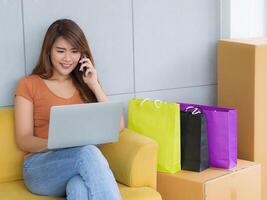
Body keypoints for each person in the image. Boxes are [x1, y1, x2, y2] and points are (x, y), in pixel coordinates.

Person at [14, 19, 124, 200]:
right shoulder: (29, 84)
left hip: (75, 168)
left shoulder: (85, 84)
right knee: (88, 152)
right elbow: (23, 139)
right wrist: (55, 144)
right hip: (40, 167)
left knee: (78, 187)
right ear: (48, 51)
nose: (67, 58)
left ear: (82, 54)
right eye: (60, 51)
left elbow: (118, 125)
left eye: (74, 51)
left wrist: (94, 85)